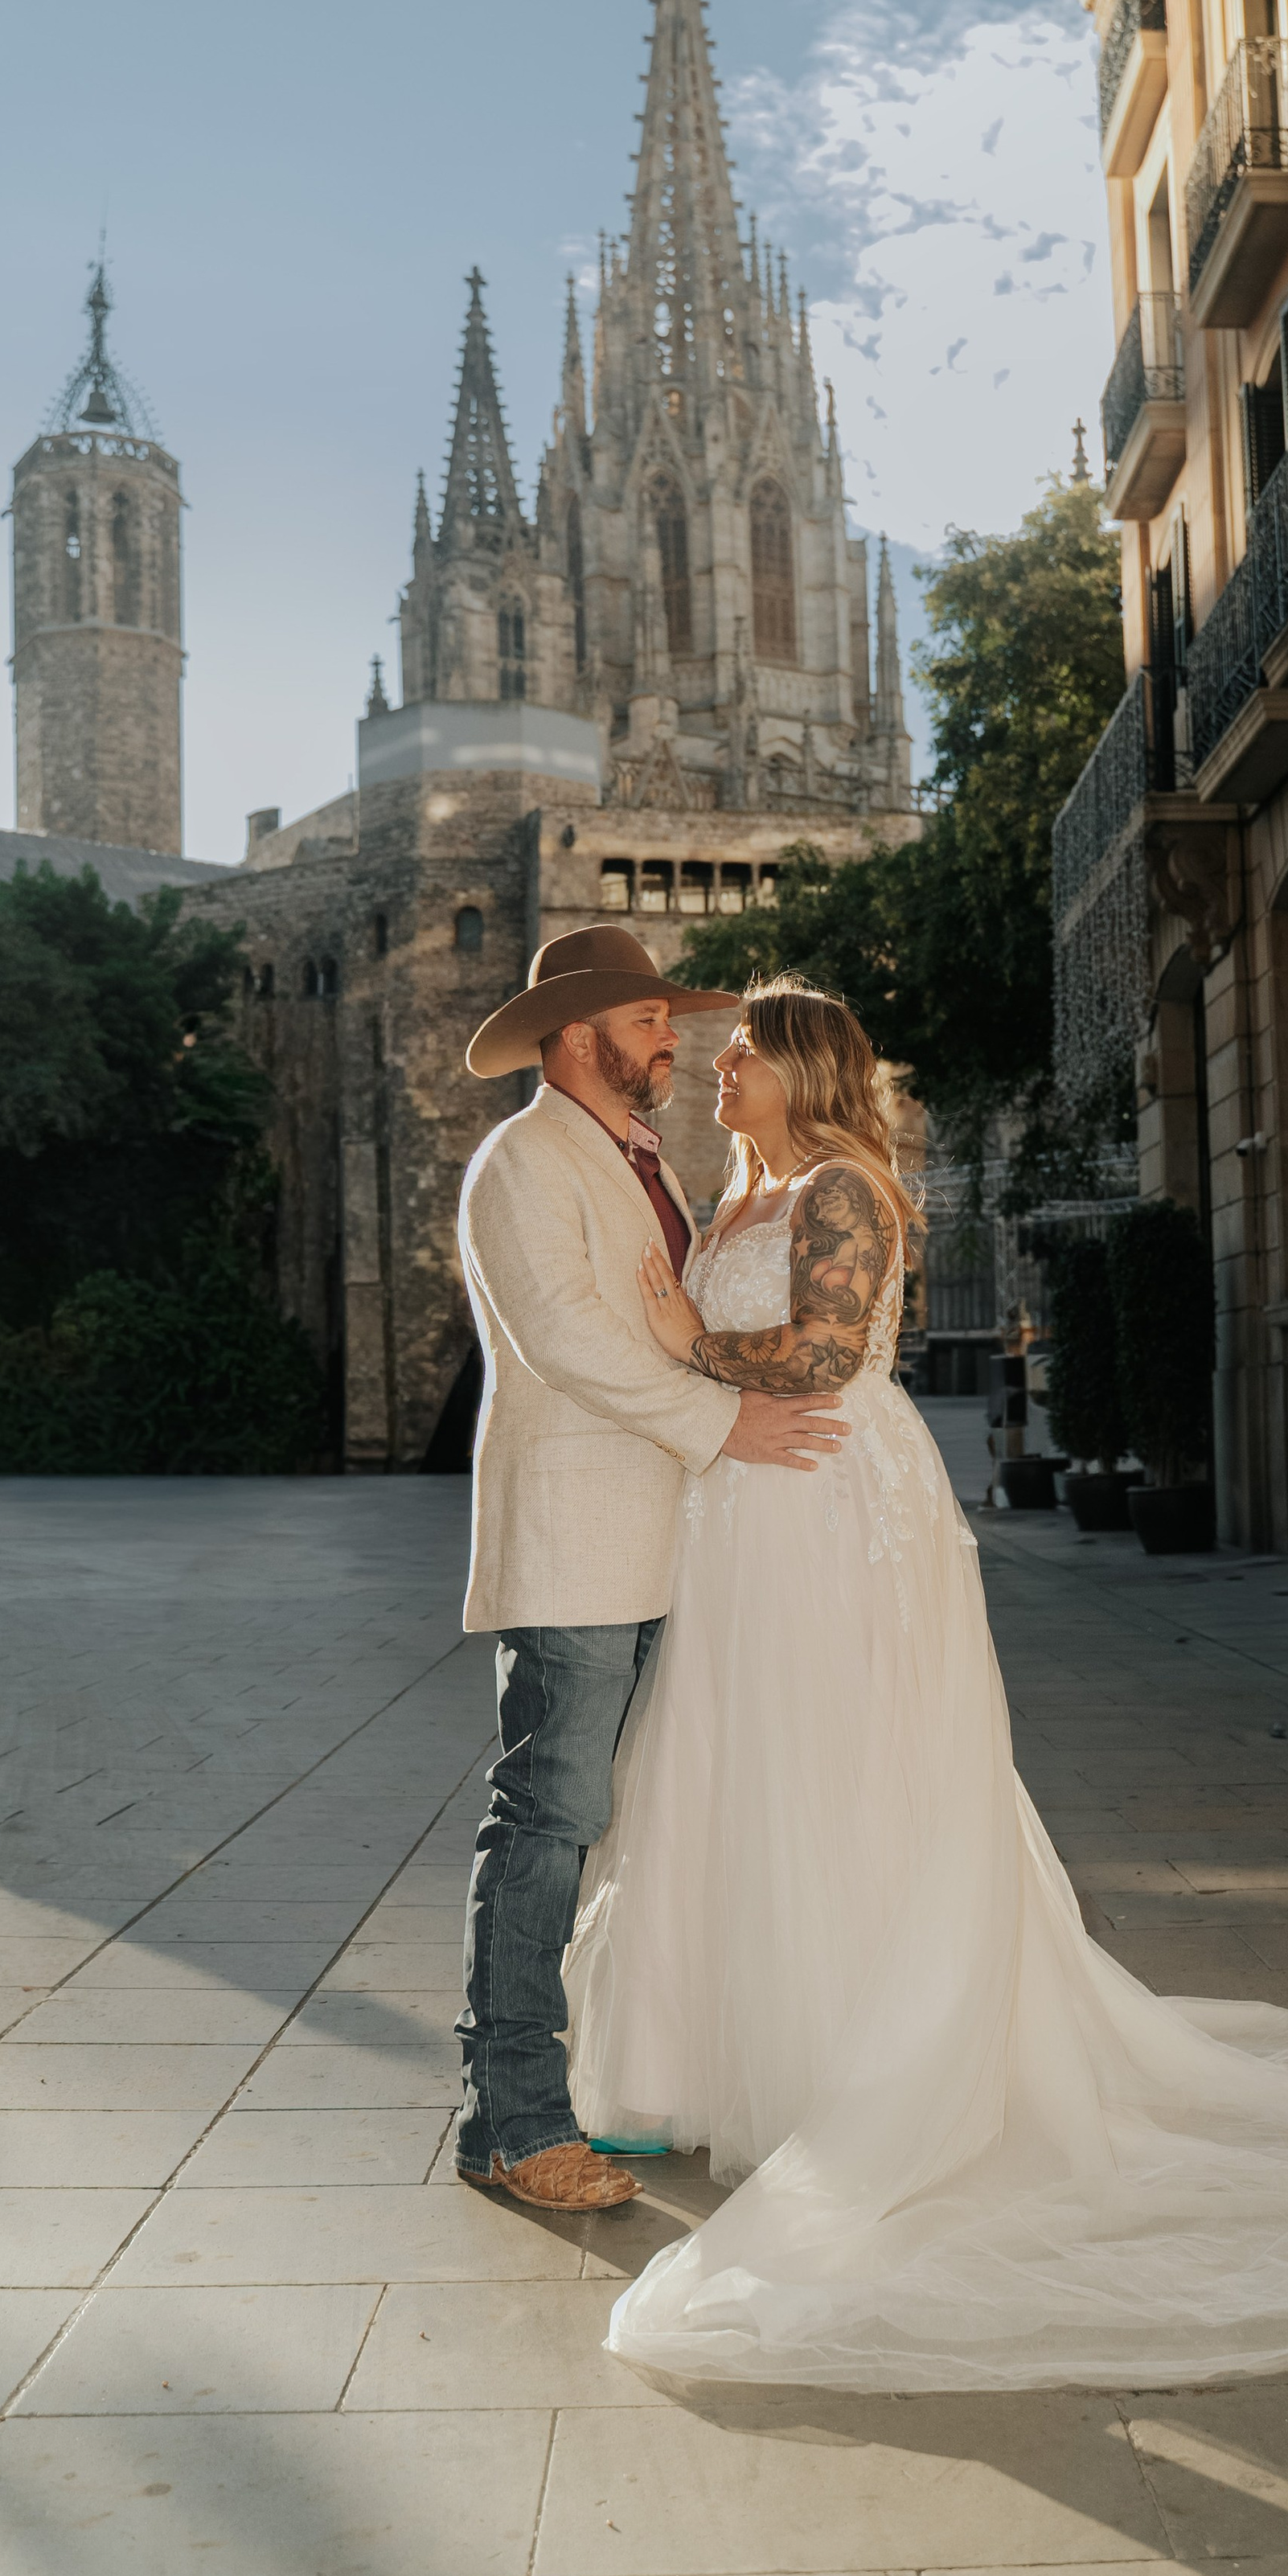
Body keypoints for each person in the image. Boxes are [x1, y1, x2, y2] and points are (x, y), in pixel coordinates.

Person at [563, 974, 1288, 2387]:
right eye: (717, 1053)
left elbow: (820, 1351)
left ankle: (866, 2063)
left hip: (833, 1509)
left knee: (845, 1761)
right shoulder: (735, 1200)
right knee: (726, 1762)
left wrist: (684, 1341)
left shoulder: (847, 1189)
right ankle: (715, 2056)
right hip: (738, 1515)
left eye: (743, 1051)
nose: (716, 1069)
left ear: (811, 1069)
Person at [453, 925, 848, 2215]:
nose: (668, 1038)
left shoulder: (643, 1162)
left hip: (667, 1542)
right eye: (645, 1021)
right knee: (547, 1822)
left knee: (634, 1824)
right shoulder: (523, 1162)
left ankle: (657, 2078)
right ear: (577, 1036)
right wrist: (722, 1423)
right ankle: (511, 2120)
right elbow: (568, 1338)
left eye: (668, 1020)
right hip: (575, 1546)